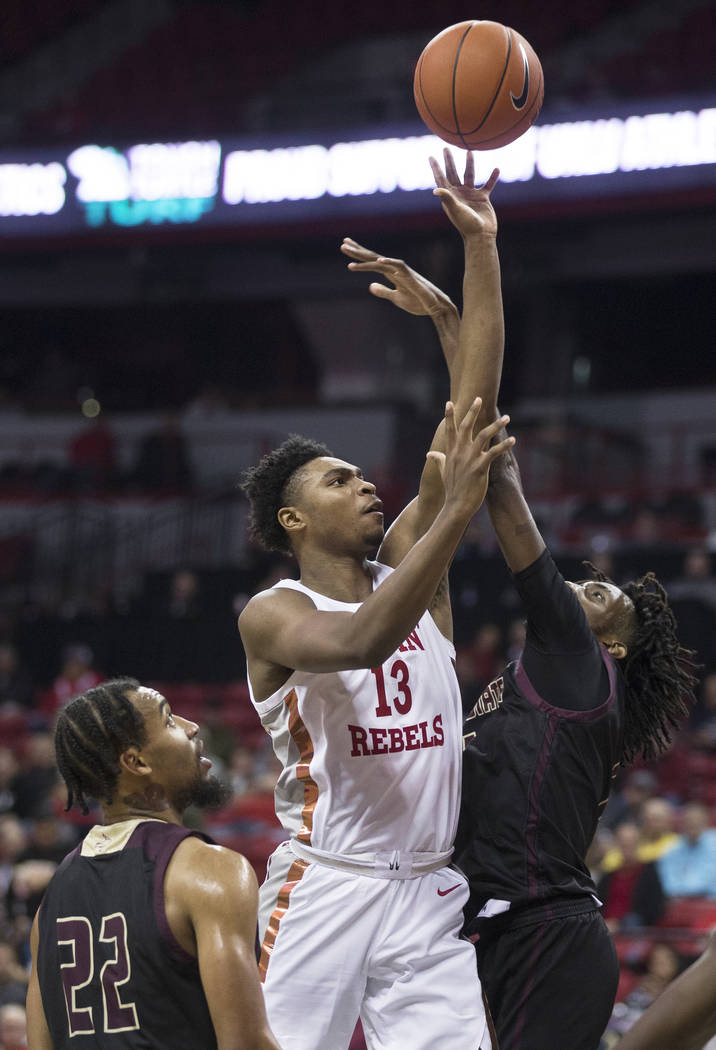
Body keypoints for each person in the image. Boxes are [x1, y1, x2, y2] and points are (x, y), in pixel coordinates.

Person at [348, 148, 698, 1050]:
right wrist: (451, 322)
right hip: (472, 932)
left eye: (595, 595)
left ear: (611, 644)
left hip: (545, 932)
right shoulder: (532, 678)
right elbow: (477, 437)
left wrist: (477, 270)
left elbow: (491, 463)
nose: (575, 591)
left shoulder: (581, 668)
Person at [238, 155, 512, 1050]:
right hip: (328, 882)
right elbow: (359, 642)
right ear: (292, 516)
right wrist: (460, 507)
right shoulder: (273, 614)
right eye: (338, 478)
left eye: (363, 476)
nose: (366, 486)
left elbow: (469, 409)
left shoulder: (412, 575)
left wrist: (478, 252)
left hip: (427, 888)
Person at [26, 677, 281, 1050]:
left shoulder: (50, 905)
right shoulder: (210, 870)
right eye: (169, 721)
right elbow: (246, 1043)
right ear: (136, 762)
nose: (192, 726)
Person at [612, 930, 716, 1049]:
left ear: (674, 961)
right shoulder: (641, 987)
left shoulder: (685, 986)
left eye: (665, 961)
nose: (660, 965)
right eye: (656, 961)